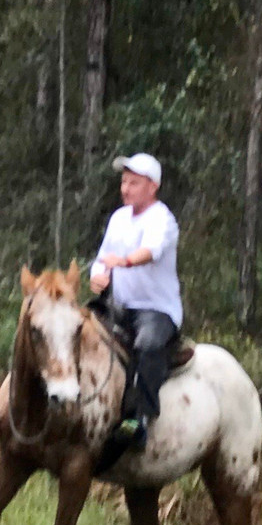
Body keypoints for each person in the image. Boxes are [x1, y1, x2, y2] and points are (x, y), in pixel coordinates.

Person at [89, 152, 181, 450]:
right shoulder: (118, 218)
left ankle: (140, 419)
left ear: (152, 186)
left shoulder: (162, 219)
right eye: (124, 182)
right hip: (119, 305)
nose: (125, 188)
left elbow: (151, 251)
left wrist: (125, 262)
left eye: (133, 183)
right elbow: (103, 258)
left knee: (148, 345)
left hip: (156, 310)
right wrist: (97, 276)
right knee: (80, 327)